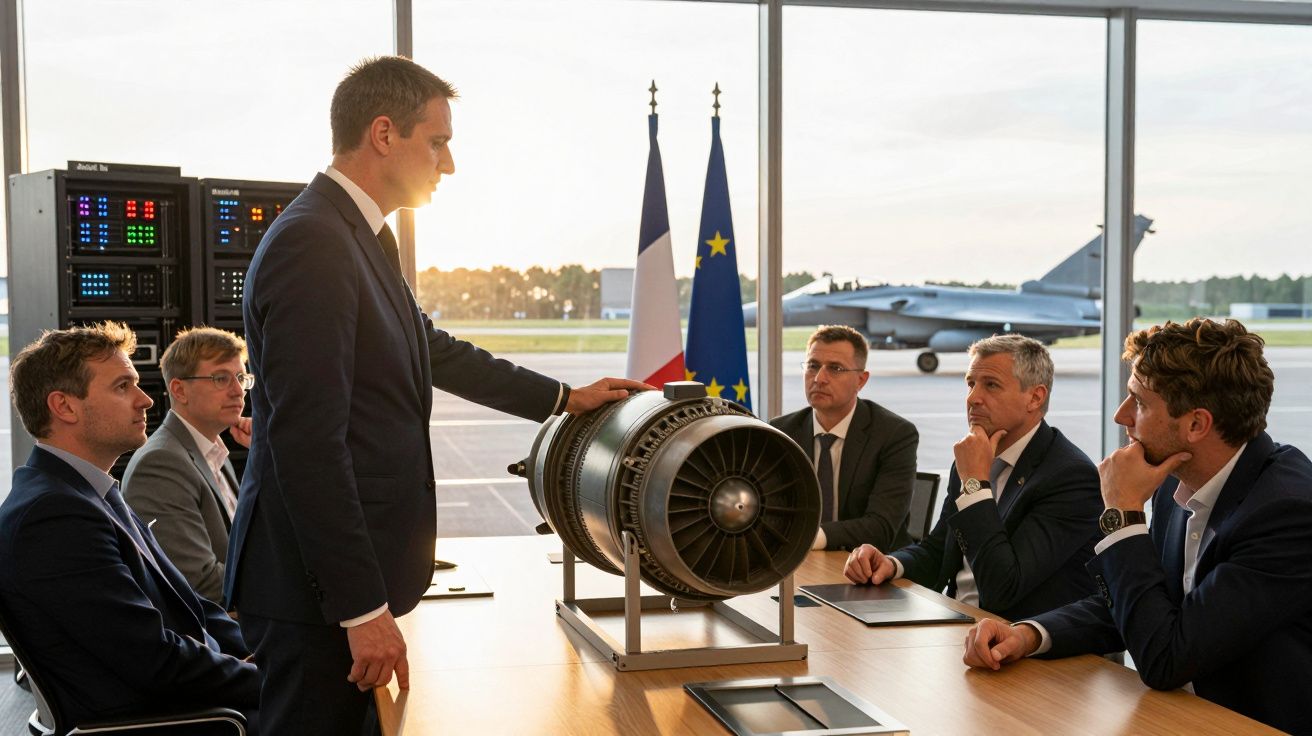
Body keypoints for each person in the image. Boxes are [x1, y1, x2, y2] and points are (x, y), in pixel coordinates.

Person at [225, 56, 649, 736]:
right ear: (384, 134)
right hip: (315, 597)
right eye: (438, 141)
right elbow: (306, 446)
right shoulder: (316, 243)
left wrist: (565, 396)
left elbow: (434, 350)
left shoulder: (359, 234)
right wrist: (360, 610)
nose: (447, 164)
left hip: (329, 588)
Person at [962, 319, 1312, 734]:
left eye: (1139, 402)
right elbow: (1145, 604)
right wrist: (1030, 634)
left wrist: (1123, 514)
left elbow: (1166, 657)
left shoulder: (1287, 512)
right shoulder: (1177, 480)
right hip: (1181, 717)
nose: (1120, 415)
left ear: (1196, 425)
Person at [0, 323, 259, 729]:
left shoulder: (87, 492)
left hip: (193, 704)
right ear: (64, 406)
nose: (144, 400)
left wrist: (267, 652)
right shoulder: (53, 517)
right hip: (179, 721)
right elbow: (155, 661)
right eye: (123, 387)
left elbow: (191, 607)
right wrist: (274, 678)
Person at [844, 334, 1102, 621]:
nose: (973, 398)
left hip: (1019, 644)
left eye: (991, 385)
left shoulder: (1069, 477)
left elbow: (1003, 587)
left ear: (1035, 397)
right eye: (970, 383)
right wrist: (891, 563)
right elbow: (939, 549)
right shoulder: (972, 458)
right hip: (957, 623)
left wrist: (975, 486)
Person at [123, 326, 251, 603]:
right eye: (221, 378)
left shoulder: (212, 449)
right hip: (215, 638)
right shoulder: (161, 463)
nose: (238, 390)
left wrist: (266, 454)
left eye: (241, 377)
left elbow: (249, 548)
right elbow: (199, 582)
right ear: (179, 390)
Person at [770, 325, 918, 551]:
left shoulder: (894, 434)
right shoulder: (781, 432)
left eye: (835, 369)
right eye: (813, 366)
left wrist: (811, 538)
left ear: (861, 380)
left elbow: (881, 526)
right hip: (798, 561)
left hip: (872, 568)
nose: (819, 378)